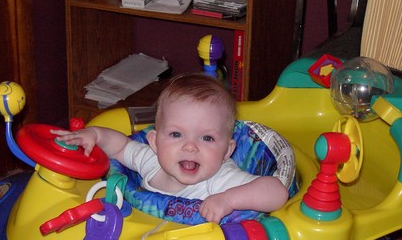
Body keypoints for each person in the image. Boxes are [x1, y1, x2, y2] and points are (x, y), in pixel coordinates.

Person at [51, 73, 288, 224]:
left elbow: (277, 192)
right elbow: (120, 146)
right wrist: (95, 135)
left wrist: (227, 200)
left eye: (207, 138)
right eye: (176, 134)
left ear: (227, 151)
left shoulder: (219, 179)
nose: (190, 146)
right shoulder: (152, 161)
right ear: (154, 142)